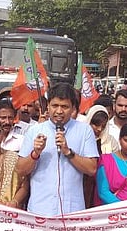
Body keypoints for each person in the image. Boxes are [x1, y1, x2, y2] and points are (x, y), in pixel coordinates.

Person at [17, 83, 98, 216]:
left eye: (64, 107)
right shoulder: (35, 131)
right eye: (55, 106)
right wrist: (35, 153)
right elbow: (20, 170)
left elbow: (91, 169)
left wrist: (68, 152)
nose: (59, 111)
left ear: (73, 108)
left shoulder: (84, 131)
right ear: (47, 106)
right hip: (40, 210)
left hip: (72, 210)